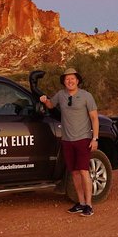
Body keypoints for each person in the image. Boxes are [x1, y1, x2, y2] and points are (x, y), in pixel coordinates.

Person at [40, 68, 99, 216]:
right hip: (67, 140)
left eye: (72, 79)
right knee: (74, 173)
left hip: (83, 139)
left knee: (84, 172)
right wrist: (44, 100)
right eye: (67, 79)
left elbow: (94, 118)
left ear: (77, 80)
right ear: (64, 82)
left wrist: (95, 138)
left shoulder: (86, 96)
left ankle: (89, 205)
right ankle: (81, 203)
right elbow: (51, 105)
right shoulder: (61, 95)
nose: (70, 81)